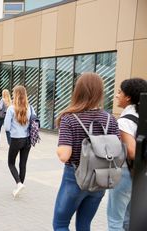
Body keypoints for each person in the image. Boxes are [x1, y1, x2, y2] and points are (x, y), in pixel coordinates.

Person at [53, 72, 120, 231]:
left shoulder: (69, 118)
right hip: (101, 179)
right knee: (84, 225)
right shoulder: (110, 119)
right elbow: (117, 151)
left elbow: (64, 155)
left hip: (75, 178)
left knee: (60, 225)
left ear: (78, 91)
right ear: (100, 92)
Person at [107, 78, 147, 231]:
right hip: (139, 174)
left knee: (115, 220)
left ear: (128, 97)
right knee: (129, 220)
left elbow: (131, 151)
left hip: (125, 173)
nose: (117, 95)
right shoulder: (141, 116)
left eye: (119, 92)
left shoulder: (124, 121)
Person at [4, 86, 35, 198]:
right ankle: (20, 185)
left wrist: (13, 128)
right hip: (27, 139)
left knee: (11, 163)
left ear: (16, 94)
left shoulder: (11, 109)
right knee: (23, 164)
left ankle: (19, 183)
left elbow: (7, 127)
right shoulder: (30, 108)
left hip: (16, 139)